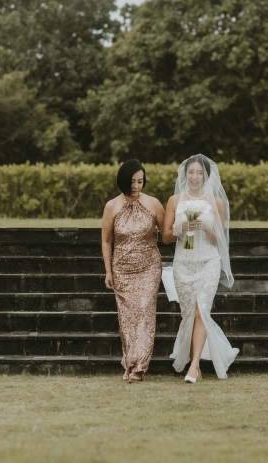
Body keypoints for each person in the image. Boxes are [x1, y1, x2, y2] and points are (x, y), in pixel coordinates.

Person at [162, 154, 238, 382]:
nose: (195, 177)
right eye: (191, 172)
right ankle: (199, 364)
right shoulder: (174, 201)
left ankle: (193, 366)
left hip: (208, 261)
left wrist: (206, 227)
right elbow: (165, 236)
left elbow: (220, 240)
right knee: (189, 314)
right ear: (185, 174)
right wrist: (181, 227)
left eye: (199, 173)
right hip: (183, 262)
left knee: (200, 310)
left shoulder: (216, 203)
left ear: (207, 175)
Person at [101, 159, 165, 383]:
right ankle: (129, 362)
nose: (137, 186)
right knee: (127, 319)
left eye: (141, 181)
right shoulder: (112, 206)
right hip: (122, 269)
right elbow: (107, 241)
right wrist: (108, 271)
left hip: (149, 267)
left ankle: (138, 367)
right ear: (123, 181)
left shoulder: (154, 204)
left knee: (145, 314)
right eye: (133, 182)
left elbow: (166, 234)